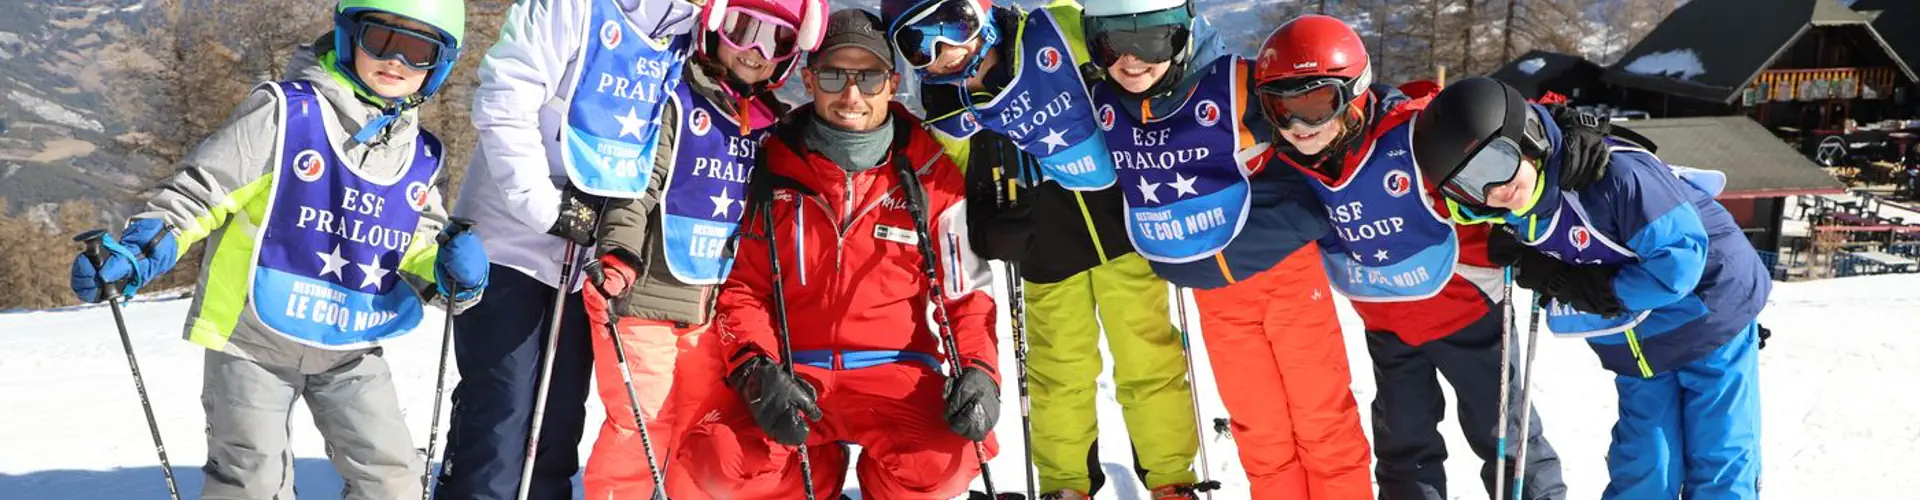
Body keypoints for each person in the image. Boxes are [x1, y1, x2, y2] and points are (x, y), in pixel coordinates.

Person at [66, 1, 482, 497]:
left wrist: (453, 271)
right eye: (381, 40)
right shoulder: (287, 112)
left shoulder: (423, 155)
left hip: (349, 339)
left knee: (393, 480)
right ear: (350, 37)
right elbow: (204, 191)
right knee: (252, 480)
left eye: (419, 50)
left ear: (439, 65)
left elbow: (413, 246)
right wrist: (141, 251)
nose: (397, 60)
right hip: (252, 337)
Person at [674, 9, 1001, 499]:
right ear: (808, 80)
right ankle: (812, 478)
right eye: (833, 75)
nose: (851, 95)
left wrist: (980, 371)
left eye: (868, 78)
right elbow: (744, 288)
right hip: (794, 375)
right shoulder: (771, 164)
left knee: (948, 460)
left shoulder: (930, 174)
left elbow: (966, 292)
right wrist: (757, 369)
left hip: (896, 373)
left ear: (892, 84)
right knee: (715, 458)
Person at [881, 0, 1201, 498]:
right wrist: (988, 223)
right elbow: (958, 182)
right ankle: (1065, 482)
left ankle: (1171, 477)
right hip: (1045, 245)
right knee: (1058, 370)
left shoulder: (1057, 27)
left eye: (954, 23)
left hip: (1124, 227)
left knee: (1149, 357)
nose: (944, 50)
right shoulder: (947, 103)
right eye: (918, 44)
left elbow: (1134, 59)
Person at [1250, 16, 1567, 500]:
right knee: (1403, 447)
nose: (1299, 126)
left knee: (1502, 436)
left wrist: (1549, 131)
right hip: (1388, 326)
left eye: (1317, 105)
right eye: (1281, 108)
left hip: (1468, 314)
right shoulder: (1292, 164)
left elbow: (1491, 128)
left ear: (1354, 93)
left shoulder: (1412, 135)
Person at [1412, 76, 1768, 500]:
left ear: (1525, 137)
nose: (1495, 189)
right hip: (1635, 342)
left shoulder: (1616, 176)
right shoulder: (1509, 210)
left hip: (1711, 317)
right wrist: (1550, 273)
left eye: (1497, 163)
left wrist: (1595, 289)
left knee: (1718, 454)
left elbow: (1679, 262)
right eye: (1472, 186)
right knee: (1644, 461)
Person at [1081, 2, 1370, 498]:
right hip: (1215, 295)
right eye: (1111, 42)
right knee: (1259, 430)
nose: (1130, 60)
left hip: (1283, 273)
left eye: (1150, 40)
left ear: (1181, 33)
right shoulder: (1104, 102)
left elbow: (1333, 105)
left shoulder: (1236, 84)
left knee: (1321, 418)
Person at [437, 0, 701, 497]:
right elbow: (504, 96)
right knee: (502, 411)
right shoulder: (572, 7)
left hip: (588, 254)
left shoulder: (692, 30)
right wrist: (545, 207)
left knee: (557, 421)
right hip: (509, 237)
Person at [576, 0, 826, 497]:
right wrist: (619, 253)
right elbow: (637, 189)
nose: (755, 51)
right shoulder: (677, 103)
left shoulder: (770, 130)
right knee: (643, 422)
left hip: (713, 310)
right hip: (646, 297)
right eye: (743, 29)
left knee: (696, 428)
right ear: (715, 28)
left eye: (775, 40)